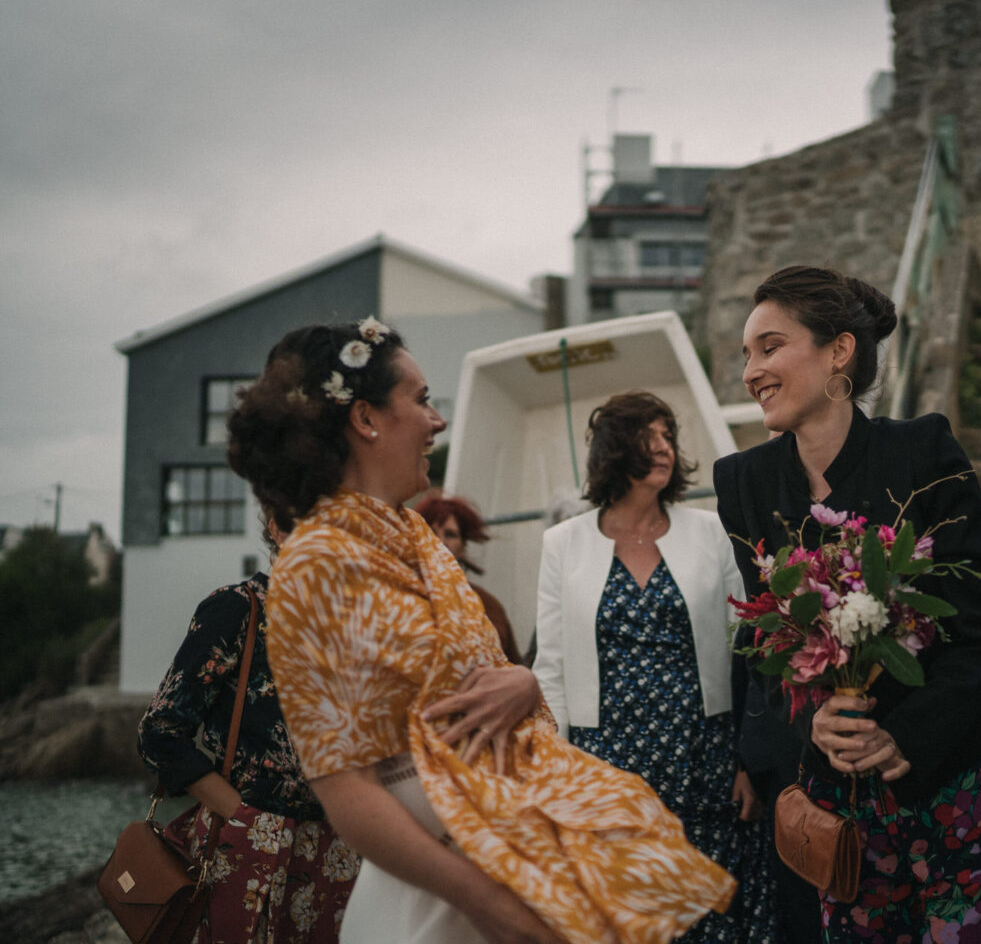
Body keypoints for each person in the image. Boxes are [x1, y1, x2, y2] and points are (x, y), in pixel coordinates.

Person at [226, 319, 735, 944]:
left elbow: (483, 672)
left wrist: (522, 681)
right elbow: (344, 788)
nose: (437, 422)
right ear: (365, 418)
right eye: (420, 400)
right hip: (444, 887)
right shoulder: (316, 563)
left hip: (511, 847)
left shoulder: (415, 539)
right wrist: (486, 901)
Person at [714, 266, 981, 943]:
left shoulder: (923, 451)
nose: (751, 371)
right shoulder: (743, 482)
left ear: (839, 351)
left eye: (770, 347)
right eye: (746, 354)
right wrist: (815, 725)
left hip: (959, 784)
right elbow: (767, 648)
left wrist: (904, 737)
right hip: (846, 813)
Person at [533, 390, 773, 944]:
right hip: (607, 763)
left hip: (704, 757)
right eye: (649, 436)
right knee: (625, 919)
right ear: (616, 448)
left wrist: (750, 761)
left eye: (668, 436)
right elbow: (552, 668)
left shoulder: (710, 531)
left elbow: (751, 648)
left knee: (710, 917)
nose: (664, 448)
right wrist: (556, 773)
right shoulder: (561, 544)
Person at [138, 513, 356, 943]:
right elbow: (160, 731)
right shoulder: (238, 609)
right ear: (276, 525)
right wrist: (241, 815)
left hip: (336, 857)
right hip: (248, 852)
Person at [416, 493, 526, 664]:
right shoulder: (401, 593)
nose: (440, 541)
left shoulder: (488, 606)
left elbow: (512, 667)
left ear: (463, 547)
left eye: (450, 534)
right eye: (431, 532)